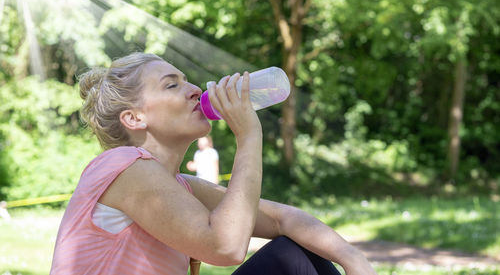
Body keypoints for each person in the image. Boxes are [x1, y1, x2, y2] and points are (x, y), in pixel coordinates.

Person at [50, 52, 378, 275]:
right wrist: (249, 136)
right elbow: (226, 247)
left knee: (298, 254)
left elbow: (283, 219)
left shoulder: (179, 186)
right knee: (291, 260)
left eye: (187, 80)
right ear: (135, 118)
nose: (194, 90)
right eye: (172, 84)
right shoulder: (122, 165)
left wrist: (354, 260)